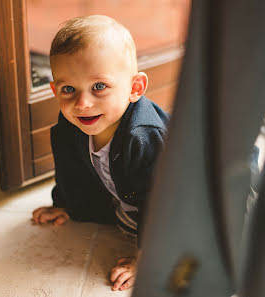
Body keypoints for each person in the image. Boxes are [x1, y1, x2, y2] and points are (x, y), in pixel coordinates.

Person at [31, 15, 170, 291]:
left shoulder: (143, 136)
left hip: (177, 197)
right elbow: (70, 170)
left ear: (135, 88)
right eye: (68, 89)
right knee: (117, 215)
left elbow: (161, 201)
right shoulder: (70, 124)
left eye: (99, 87)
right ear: (54, 90)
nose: (82, 103)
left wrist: (147, 257)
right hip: (130, 196)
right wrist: (64, 203)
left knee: (189, 237)